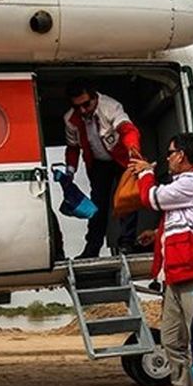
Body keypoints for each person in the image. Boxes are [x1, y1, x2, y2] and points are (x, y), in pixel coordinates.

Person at [129, 133, 193, 386]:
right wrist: (157, 235)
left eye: (170, 153)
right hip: (175, 276)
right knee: (172, 340)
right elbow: (184, 221)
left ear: (181, 155)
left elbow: (151, 198)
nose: (167, 158)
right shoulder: (186, 185)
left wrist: (145, 172)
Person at [63, 80, 143, 258]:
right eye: (78, 107)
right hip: (98, 164)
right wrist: (69, 171)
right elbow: (73, 147)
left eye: (86, 104)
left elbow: (128, 130)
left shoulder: (111, 107)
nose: (83, 110)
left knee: (127, 200)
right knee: (97, 206)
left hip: (121, 160)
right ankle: (92, 248)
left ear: (95, 97)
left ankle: (126, 244)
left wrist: (133, 149)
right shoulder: (71, 119)